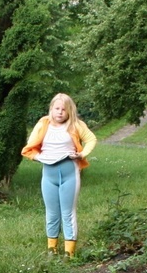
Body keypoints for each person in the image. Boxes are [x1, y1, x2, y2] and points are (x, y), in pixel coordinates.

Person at [21, 93, 97, 258]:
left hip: (69, 172)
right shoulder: (43, 123)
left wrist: (82, 154)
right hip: (49, 174)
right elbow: (30, 146)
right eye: (57, 108)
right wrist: (37, 157)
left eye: (64, 109)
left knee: (67, 212)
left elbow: (91, 139)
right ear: (51, 109)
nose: (60, 112)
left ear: (70, 111)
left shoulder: (75, 125)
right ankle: (51, 249)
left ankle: (69, 253)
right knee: (52, 212)